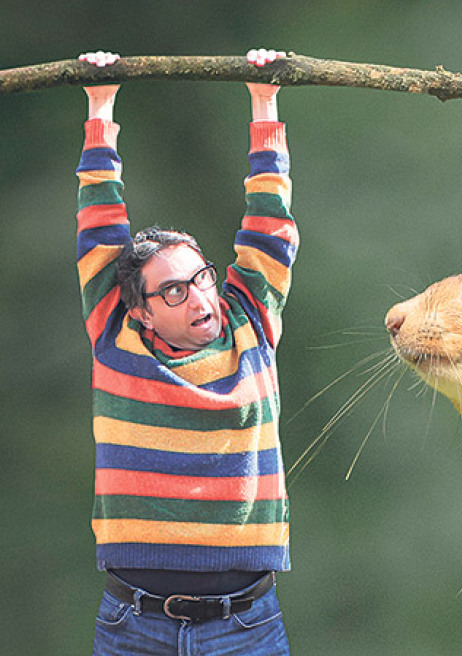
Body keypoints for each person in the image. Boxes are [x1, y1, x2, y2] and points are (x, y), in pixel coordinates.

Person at [76, 48, 298, 655]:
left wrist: (264, 98)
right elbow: (99, 225)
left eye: (201, 276)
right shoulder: (115, 334)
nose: (198, 295)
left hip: (246, 625)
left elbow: (270, 220)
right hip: (132, 625)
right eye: (173, 290)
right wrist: (101, 104)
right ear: (141, 309)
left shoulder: (250, 320)